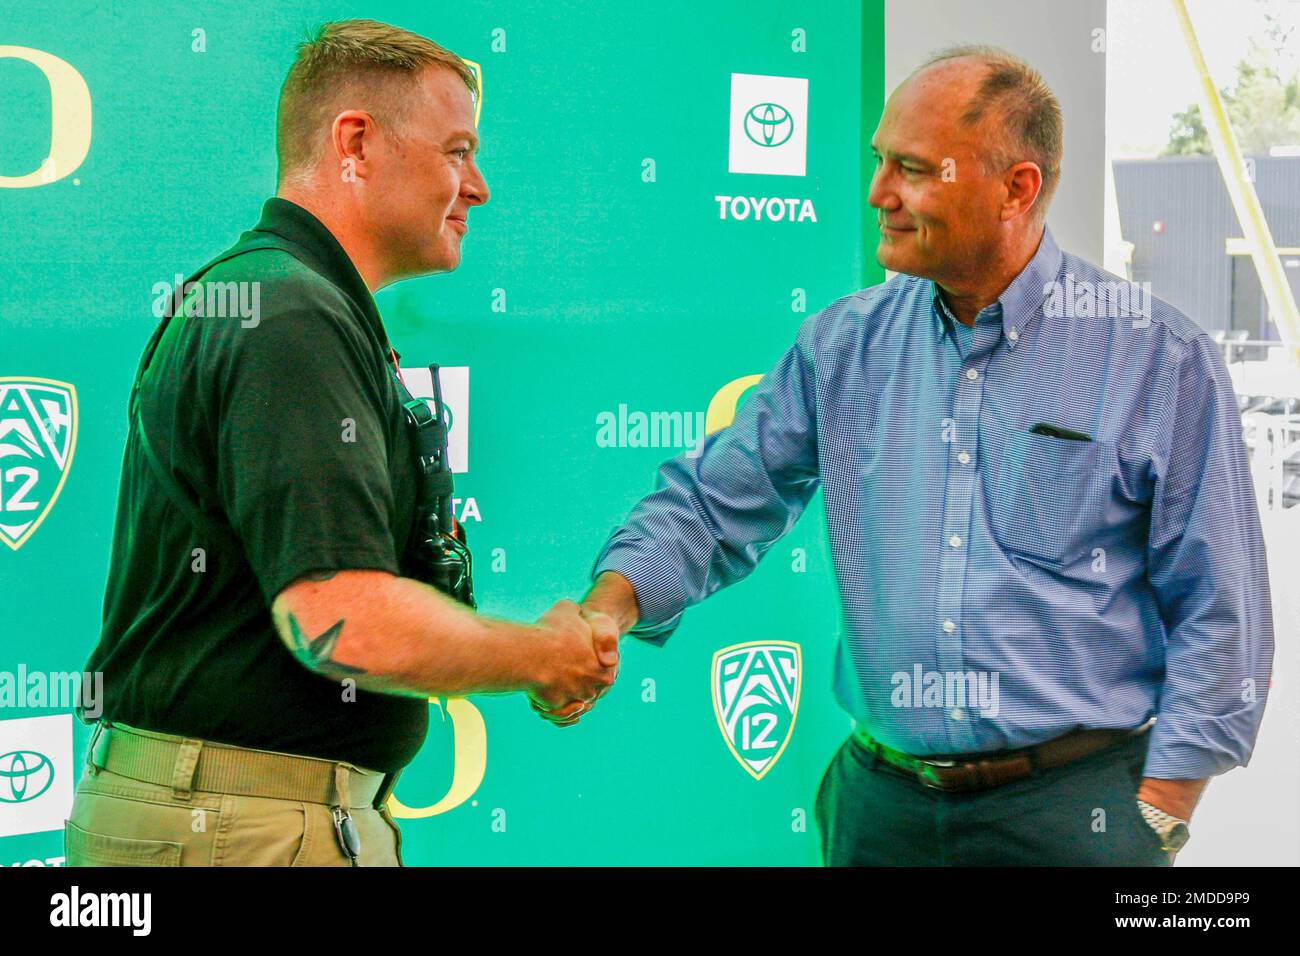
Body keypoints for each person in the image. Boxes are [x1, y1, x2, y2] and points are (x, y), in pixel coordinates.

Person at [567, 45, 1275, 865]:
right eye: (879, 162)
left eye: (911, 169)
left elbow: (1222, 613)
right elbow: (713, 503)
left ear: (1019, 188)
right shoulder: (842, 346)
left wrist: (1154, 815)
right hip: (882, 811)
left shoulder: (1160, 359)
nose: (877, 194)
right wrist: (607, 608)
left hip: (1073, 818)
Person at [66, 18, 618, 868]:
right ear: (355, 143)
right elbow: (342, 619)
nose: (480, 188)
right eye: (457, 150)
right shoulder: (288, 315)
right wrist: (546, 655)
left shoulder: (279, 299)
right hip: (243, 830)